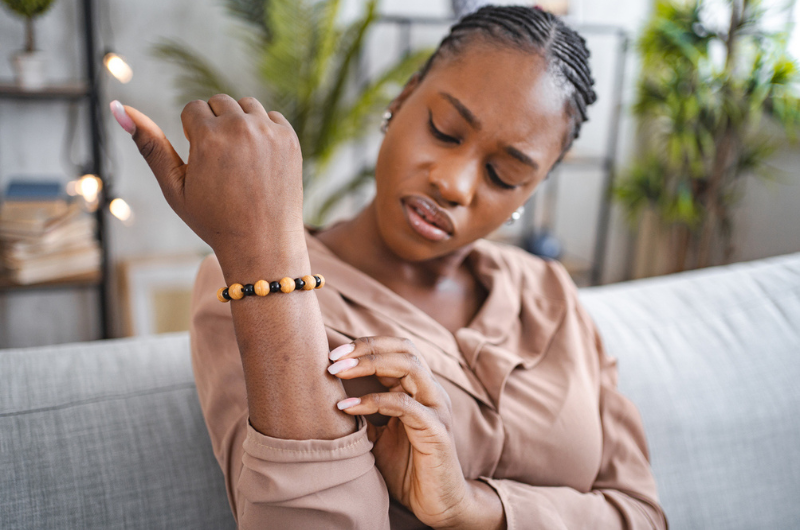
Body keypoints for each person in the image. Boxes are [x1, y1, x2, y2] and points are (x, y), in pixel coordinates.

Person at [111, 5, 667, 529]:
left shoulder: (548, 291)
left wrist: (471, 508)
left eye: (503, 174)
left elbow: (641, 514)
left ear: (533, 188)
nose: (453, 182)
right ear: (400, 102)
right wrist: (264, 250)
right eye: (445, 131)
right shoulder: (256, 280)